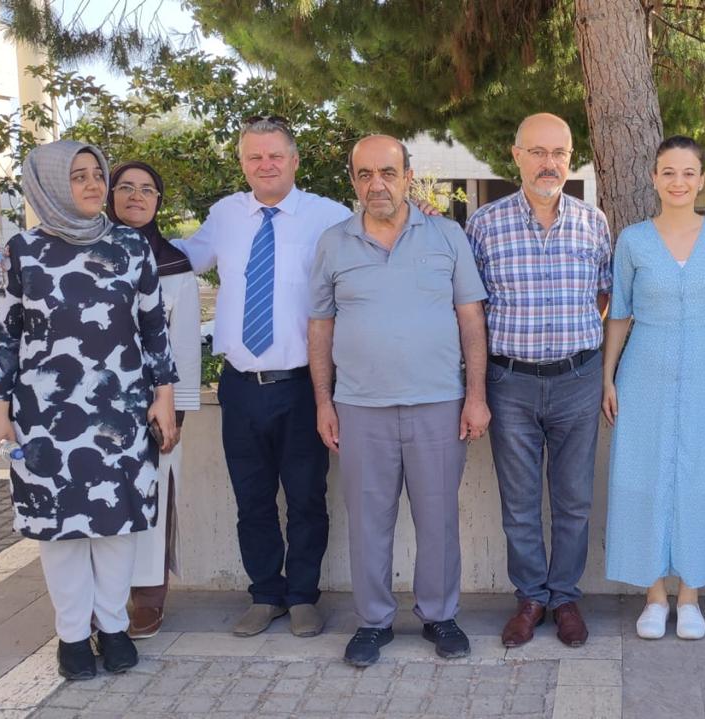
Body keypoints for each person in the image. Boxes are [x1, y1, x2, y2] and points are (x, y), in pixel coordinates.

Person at [0, 140, 179, 680]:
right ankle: (71, 635)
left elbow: (153, 326)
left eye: (97, 174)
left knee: (116, 522)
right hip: (45, 415)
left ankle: (112, 627)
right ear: (48, 186)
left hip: (121, 407)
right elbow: (4, 336)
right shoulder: (20, 251)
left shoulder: (130, 246)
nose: (93, 185)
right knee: (59, 526)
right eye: (77, 176)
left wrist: (164, 396)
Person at [307, 136, 490, 667]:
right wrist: (324, 402)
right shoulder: (333, 243)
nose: (377, 185)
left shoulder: (447, 235)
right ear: (353, 181)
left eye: (387, 173)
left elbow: (471, 319)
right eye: (364, 174)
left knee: (439, 519)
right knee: (368, 521)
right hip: (360, 408)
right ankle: (373, 622)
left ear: (408, 176)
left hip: (439, 404)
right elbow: (319, 327)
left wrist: (475, 395)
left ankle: (440, 616)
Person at [179, 117, 350, 638]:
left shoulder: (329, 216)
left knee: (306, 498)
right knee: (251, 498)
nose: (265, 165)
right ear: (242, 163)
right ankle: (265, 594)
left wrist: (425, 216)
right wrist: (121, 238)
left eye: (275, 155)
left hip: (302, 386)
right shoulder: (225, 215)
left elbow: (377, 246)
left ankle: (302, 597)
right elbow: (182, 259)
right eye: (254, 157)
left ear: (294, 160)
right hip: (239, 385)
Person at [467, 113, 611, 648]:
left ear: (570, 159)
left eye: (559, 153)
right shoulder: (484, 224)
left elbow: (603, 296)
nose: (549, 163)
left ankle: (565, 597)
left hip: (577, 380)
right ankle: (530, 598)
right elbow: (471, 309)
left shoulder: (593, 222)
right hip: (510, 384)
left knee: (574, 501)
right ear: (517, 156)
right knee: (520, 504)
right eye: (538, 152)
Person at [601, 136, 705, 640]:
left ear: (702, 179)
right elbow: (619, 313)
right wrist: (608, 376)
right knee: (642, 476)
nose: (678, 182)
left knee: (700, 479)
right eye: (668, 172)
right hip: (642, 374)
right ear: (654, 178)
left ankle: (690, 596)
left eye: (689, 172)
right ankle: (653, 596)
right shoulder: (633, 241)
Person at [101, 161, 202, 639]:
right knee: (101, 498)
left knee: (153, 496)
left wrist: (174, 412)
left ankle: (147, 597)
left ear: (159, 201)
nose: (136, 196)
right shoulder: (87, 254)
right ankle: (103, 597)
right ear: (110, 196)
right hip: (96, 405)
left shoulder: (174, 265)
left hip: (154, 405)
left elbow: (184, 346)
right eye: (125, 187)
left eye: (147, 189)